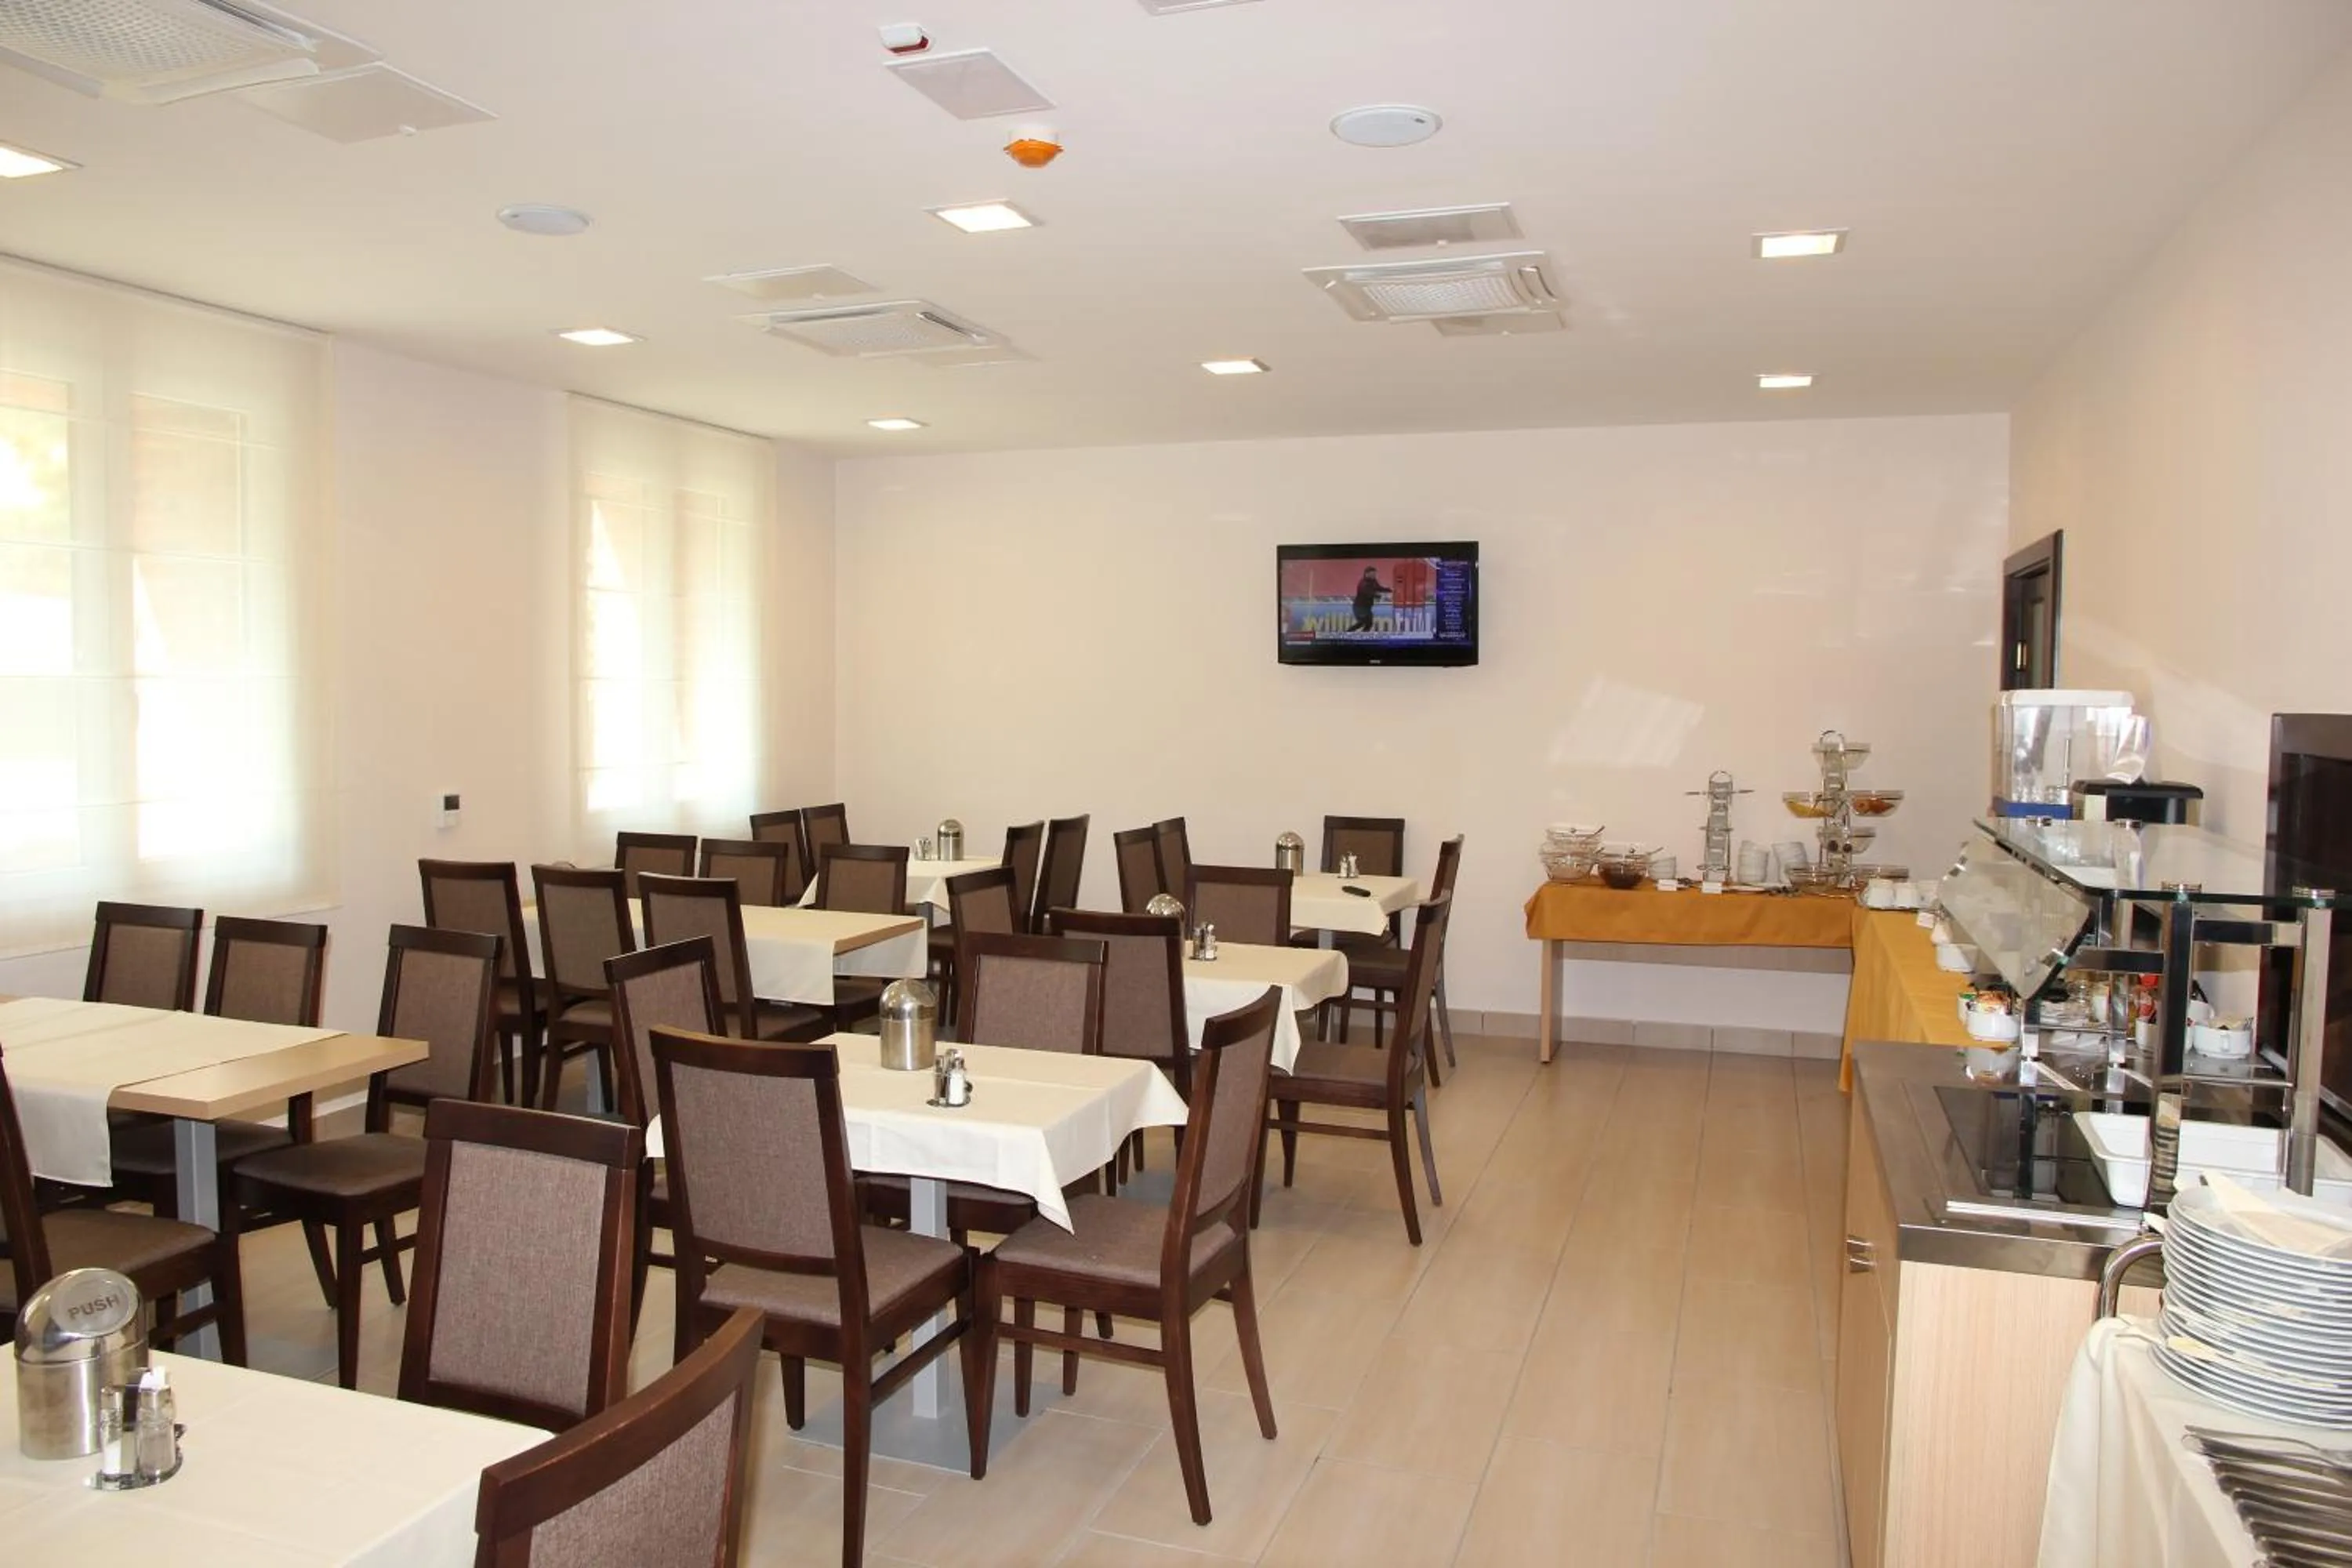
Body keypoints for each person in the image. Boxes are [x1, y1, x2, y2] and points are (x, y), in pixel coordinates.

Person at [1349, 565, 1391, 633]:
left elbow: (1379, 588)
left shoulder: (1373, 581)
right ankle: (1348, 633)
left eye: (1375, 574)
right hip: (1359, 607)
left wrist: (1389, 590)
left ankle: (1363, 635)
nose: (1374, 576)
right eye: (1373, 574)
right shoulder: (1363, 584)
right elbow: (1369, 593)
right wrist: (1382, 596)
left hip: (1367, 607)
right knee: (1363, 621)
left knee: (1369, 623)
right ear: (1367, 574)